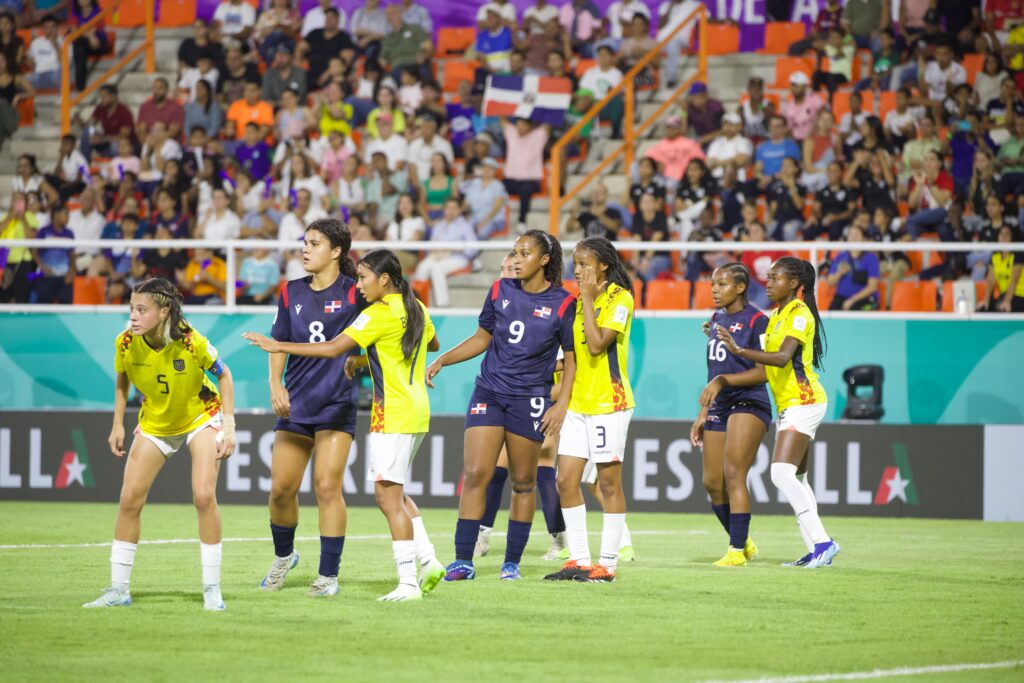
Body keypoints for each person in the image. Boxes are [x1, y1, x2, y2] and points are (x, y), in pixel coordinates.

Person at [245, 249, 445, 602]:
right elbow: (431, 343)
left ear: (384, 280)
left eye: (366, 278)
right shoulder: (416, 308)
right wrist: (366, 360)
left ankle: (408, 583)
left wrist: (276, 345)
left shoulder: (379, 314)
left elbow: (332, 348)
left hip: (392, 413)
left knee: (387, 497)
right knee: (396, 493)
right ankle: (428, 560)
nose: (360, 284)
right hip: (418, 411)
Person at [428, 231, 576, 582]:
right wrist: (443, 360)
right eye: (515, 252)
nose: (517, 258)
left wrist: (562, 405)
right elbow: (483, 337)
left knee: (523, 482)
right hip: (489, 392)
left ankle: (511, 563)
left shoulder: (565, 304)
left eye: (526, 253)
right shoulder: (499, 290)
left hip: (531, 399)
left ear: (544, 260)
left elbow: (571, 360)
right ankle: (462, 559)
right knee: (477, 473)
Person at [84, 278, 236, 610]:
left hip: (200, 416)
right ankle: (118, 589)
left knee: (203, 495)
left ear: (164, 311)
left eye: (142, 310)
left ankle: (212, 589)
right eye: (131, 309)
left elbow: (224, 375)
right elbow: (122, 377)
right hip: (155, 422)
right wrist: (117, 424)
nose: (133, 317)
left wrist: (229, 424)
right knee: (129, 500)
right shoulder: (125, 342)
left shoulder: (190, 339)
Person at [702, 257, 839, 569]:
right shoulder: (778, 315)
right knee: (799, 480)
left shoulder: (800, 314)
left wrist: (739, 350)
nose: (768, 281)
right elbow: (761, 350)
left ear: (794, 284)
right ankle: (817, 549)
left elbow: (780, 358)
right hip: (789, 404)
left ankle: (824, 543)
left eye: (776, 277)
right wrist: (722, 339)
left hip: (804, 400)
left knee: (780, 473)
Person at [543, 236, 633, 583]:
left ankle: (607, 565)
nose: (576, 270)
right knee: (565, 479)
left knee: (609, 484)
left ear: (604, 266)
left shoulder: (619, 299)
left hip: (609, 403)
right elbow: (573, 356)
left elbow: (596, 346)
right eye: (575, 264)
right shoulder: (579, 302)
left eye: (584, 264)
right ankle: (580, 560)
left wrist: (588, 299)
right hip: (579, 405)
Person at [689, 264, 769, 567]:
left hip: (749, 402)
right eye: (713, 284)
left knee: (734, 472)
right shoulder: (717, 318)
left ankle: (735, 552)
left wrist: (721, 383)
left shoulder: (758, 321)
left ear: (740, 287)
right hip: (720, 405)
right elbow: (716, 371)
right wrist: (703, 411)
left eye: (722, 284)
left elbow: (761, 373)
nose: (714, 289)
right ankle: (743, 541)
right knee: (712, 482)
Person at [413, 197, 478, 308]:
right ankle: (419, 305)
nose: (450, 211)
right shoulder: (439, 225)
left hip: (458, 257)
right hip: (438, 256)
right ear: (444, 210)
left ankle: (442, 306)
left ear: (459, 210)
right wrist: (436, 250)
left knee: (437, 269)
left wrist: (454, 248)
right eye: (448, 208)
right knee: (422, 267)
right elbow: (431, 245)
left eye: (454, 208)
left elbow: (473, 249)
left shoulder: (465, 226)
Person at [825, 223, 880, 310]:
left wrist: (852, 300)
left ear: (863, 238)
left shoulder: (871, 258)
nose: (854, 237)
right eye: (851, 234)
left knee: (854, 309)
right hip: (841, 297)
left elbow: (872, 286)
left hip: (864, 299)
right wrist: (840, 273)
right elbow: (830, 282)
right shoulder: (841, 256)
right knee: (832, 311)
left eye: (857, 234)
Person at [981, 225, 1024, 313]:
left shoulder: (1018, 254)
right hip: (1004, 294)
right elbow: (990, 280)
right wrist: (986, 300)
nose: (1003, 237)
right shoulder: (995, 256)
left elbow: (1014, 280)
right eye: (1001, 233)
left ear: (1012, 238)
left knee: (1001, 308)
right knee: (981, 310)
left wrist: (1007, 301)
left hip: (1019, 295)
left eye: (1007, 234)